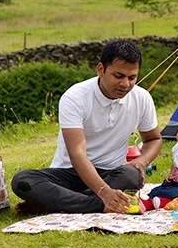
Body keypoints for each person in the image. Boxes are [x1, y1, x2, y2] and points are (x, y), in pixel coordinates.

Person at [11, 39, 161, 214]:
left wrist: (141, 162)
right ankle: (96, 204)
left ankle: (59, 202)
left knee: (131, 175)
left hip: (111, 173)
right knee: (22, 180)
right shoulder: (75, 97)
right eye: (118, 76)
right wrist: (104, 193)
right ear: (101, 70)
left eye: (132, 77)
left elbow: (154, 139)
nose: (125, 84)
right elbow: (77, 155)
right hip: (69, 172)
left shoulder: (141, 98)